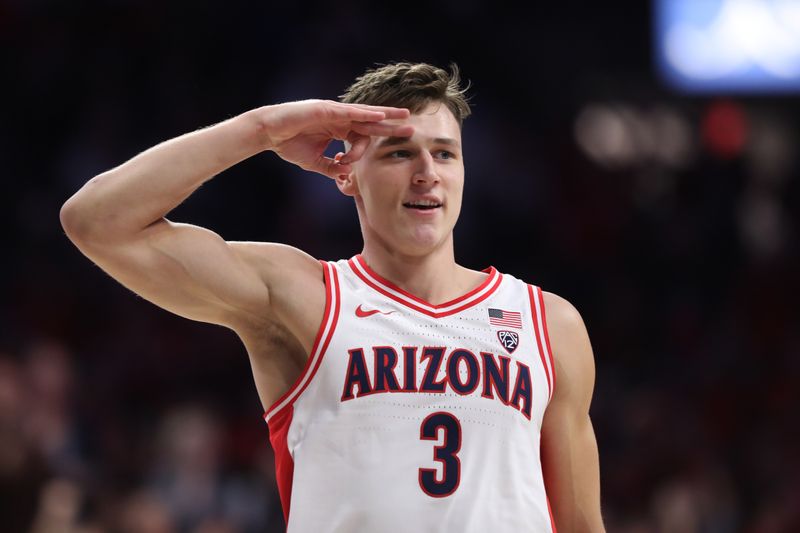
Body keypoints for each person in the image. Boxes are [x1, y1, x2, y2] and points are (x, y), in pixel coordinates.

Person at [61, 62, 604, 532]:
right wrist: (262, 129)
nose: (426, 174)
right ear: (345, 173)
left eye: (444, 154)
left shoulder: (548, 323)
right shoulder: (307, 297)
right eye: (398, 153)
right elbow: (96, 221)